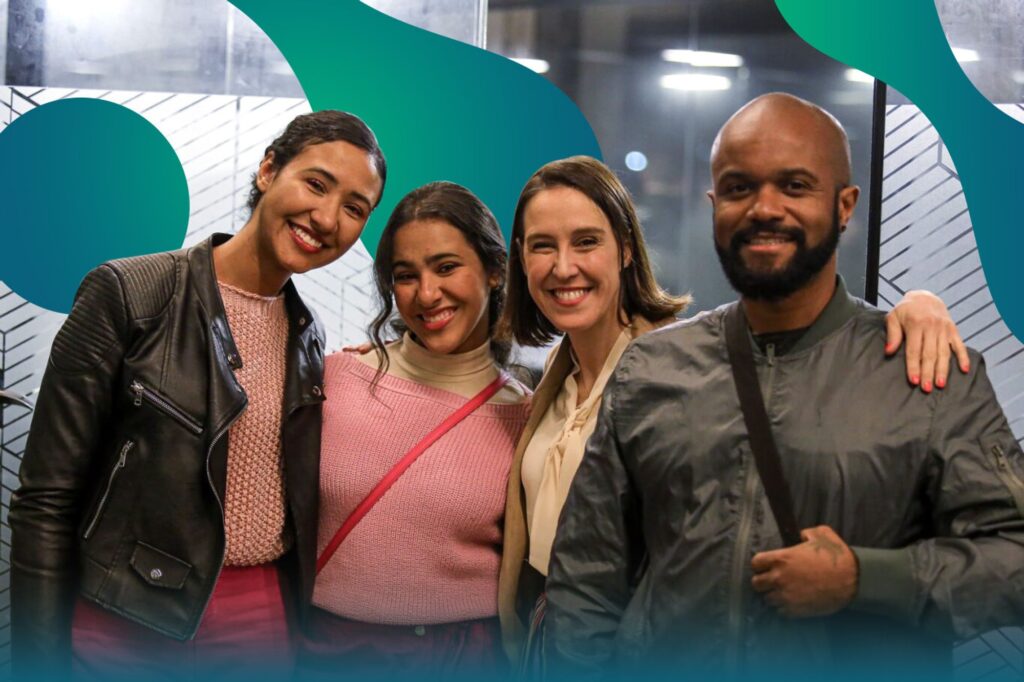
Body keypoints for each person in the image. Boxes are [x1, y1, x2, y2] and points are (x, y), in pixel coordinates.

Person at [542, 93, 1024, 679]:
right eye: (740, 188)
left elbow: (1015, 558)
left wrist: (867, 579)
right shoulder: (653, 368)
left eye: (794, 186)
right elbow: (588, 575)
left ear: (845, 206)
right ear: (715, 204)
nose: (764, 208)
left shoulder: (925, 372)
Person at [9, 110, 387, 679]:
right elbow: (46, 500)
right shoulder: (130, 293)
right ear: (267, 170)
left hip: (262, 624)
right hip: (128, 620)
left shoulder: (310, 335)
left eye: (354, 208)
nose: (327, 216)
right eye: (315, 183)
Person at [301, 182, 531, 679]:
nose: (427, 294)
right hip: (326, 652)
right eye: (406, 276)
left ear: (494, 271)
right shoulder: (338, 378)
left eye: (447, 267)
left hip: (462, 657)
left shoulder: (527, 418)